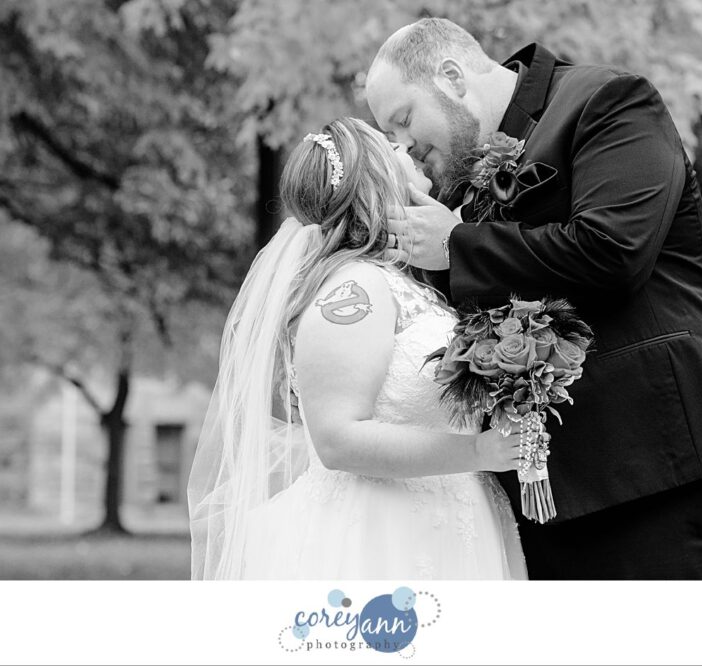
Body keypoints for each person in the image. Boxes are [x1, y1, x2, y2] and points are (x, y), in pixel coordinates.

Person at [365, 17, 702, 580]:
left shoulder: (608, 100)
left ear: (451, 76)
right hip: (537, 491)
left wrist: (456, 243)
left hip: (656, 464)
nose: (405, 145)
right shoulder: (455, 186)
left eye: (404, 119)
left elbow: (615, 251)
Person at [187, 117, 527, 580]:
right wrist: (478, 453)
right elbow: (338, 438)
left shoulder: (401, 281)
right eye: (393, 145)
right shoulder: (355, 288)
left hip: (445, 523)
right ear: (378, 177)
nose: (407, 147)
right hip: (379, 538)